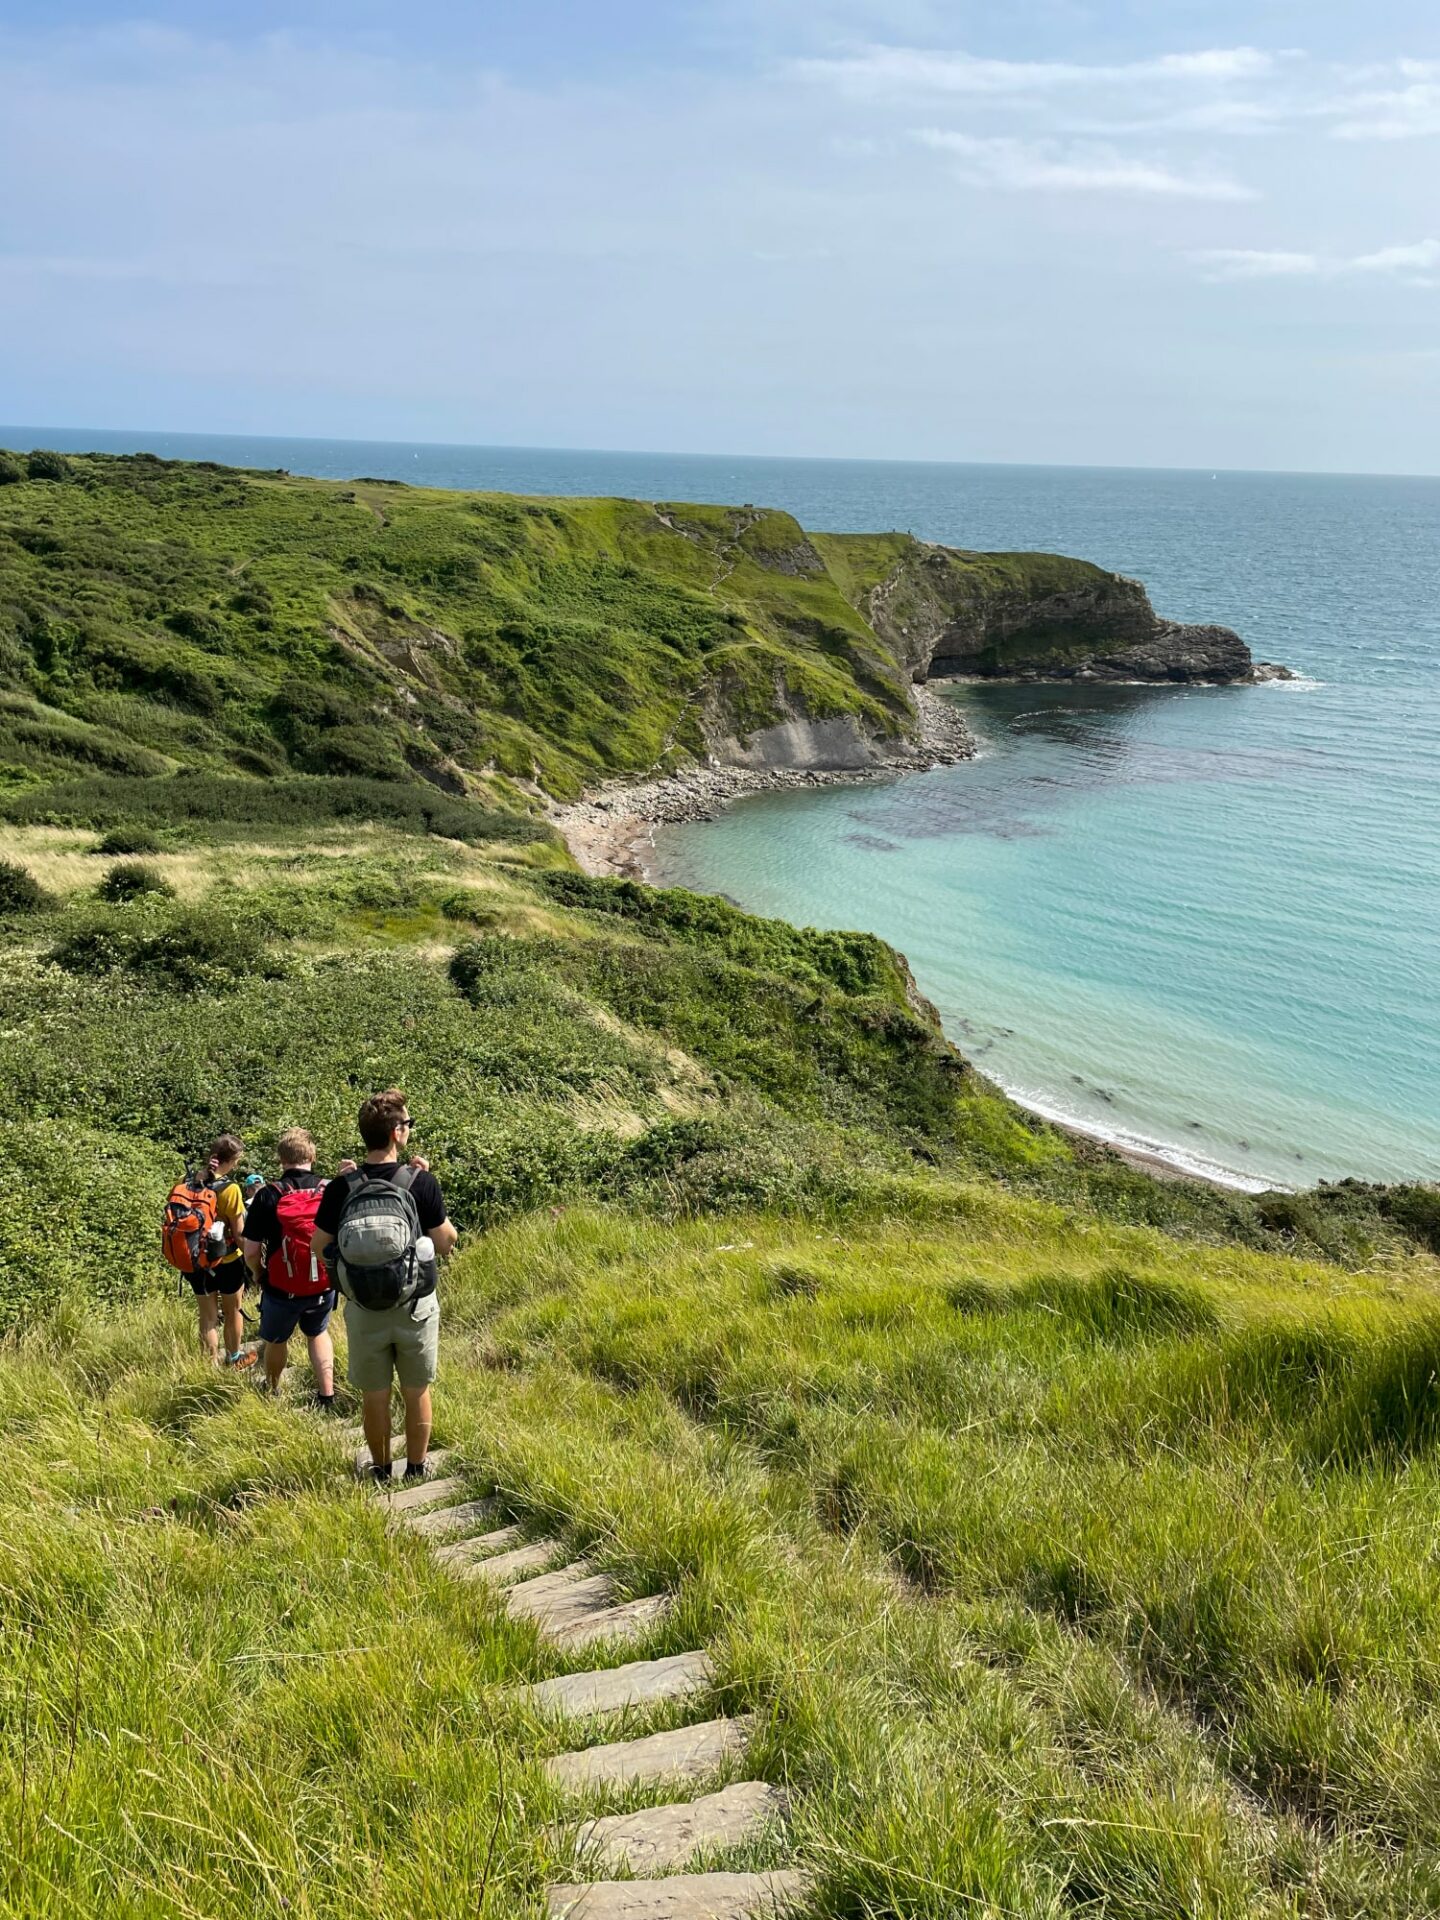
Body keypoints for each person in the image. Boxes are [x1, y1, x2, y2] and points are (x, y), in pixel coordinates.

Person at [311, 1091, 456, 1481]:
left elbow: (318, 1246)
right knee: (416, 1390)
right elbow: (444, 1242)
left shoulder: (343, 1187)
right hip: (415, 1306)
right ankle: (415, 1468)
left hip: (363, 1308)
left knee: (374, 1395)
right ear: (396, 1133)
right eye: (407, 1124)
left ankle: (379, 1469)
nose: (408, 1130)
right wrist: (425, 1184)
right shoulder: (420, 1181)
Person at [242, 1129, 338, 1410]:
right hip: (323, 1283)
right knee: (318, 1334)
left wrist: (259, 1273)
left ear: (280, 1159)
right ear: (312, 1155)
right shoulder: (330, 1190)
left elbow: (250, 1250)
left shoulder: (267, 1195)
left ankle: (273, 1390)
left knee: (276, 1339)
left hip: (281, 1287)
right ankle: (327, 1395)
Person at [191, 1133, 256, 1369]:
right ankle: (234, 1358)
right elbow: (239, 1234)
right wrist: (252, 1263)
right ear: (233, 1159)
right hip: (227, 1260)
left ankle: (209, 1368)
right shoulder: (230, 1190)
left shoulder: (186, 1180)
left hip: (195, 1260)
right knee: (233, 1311)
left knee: (207, 1317)